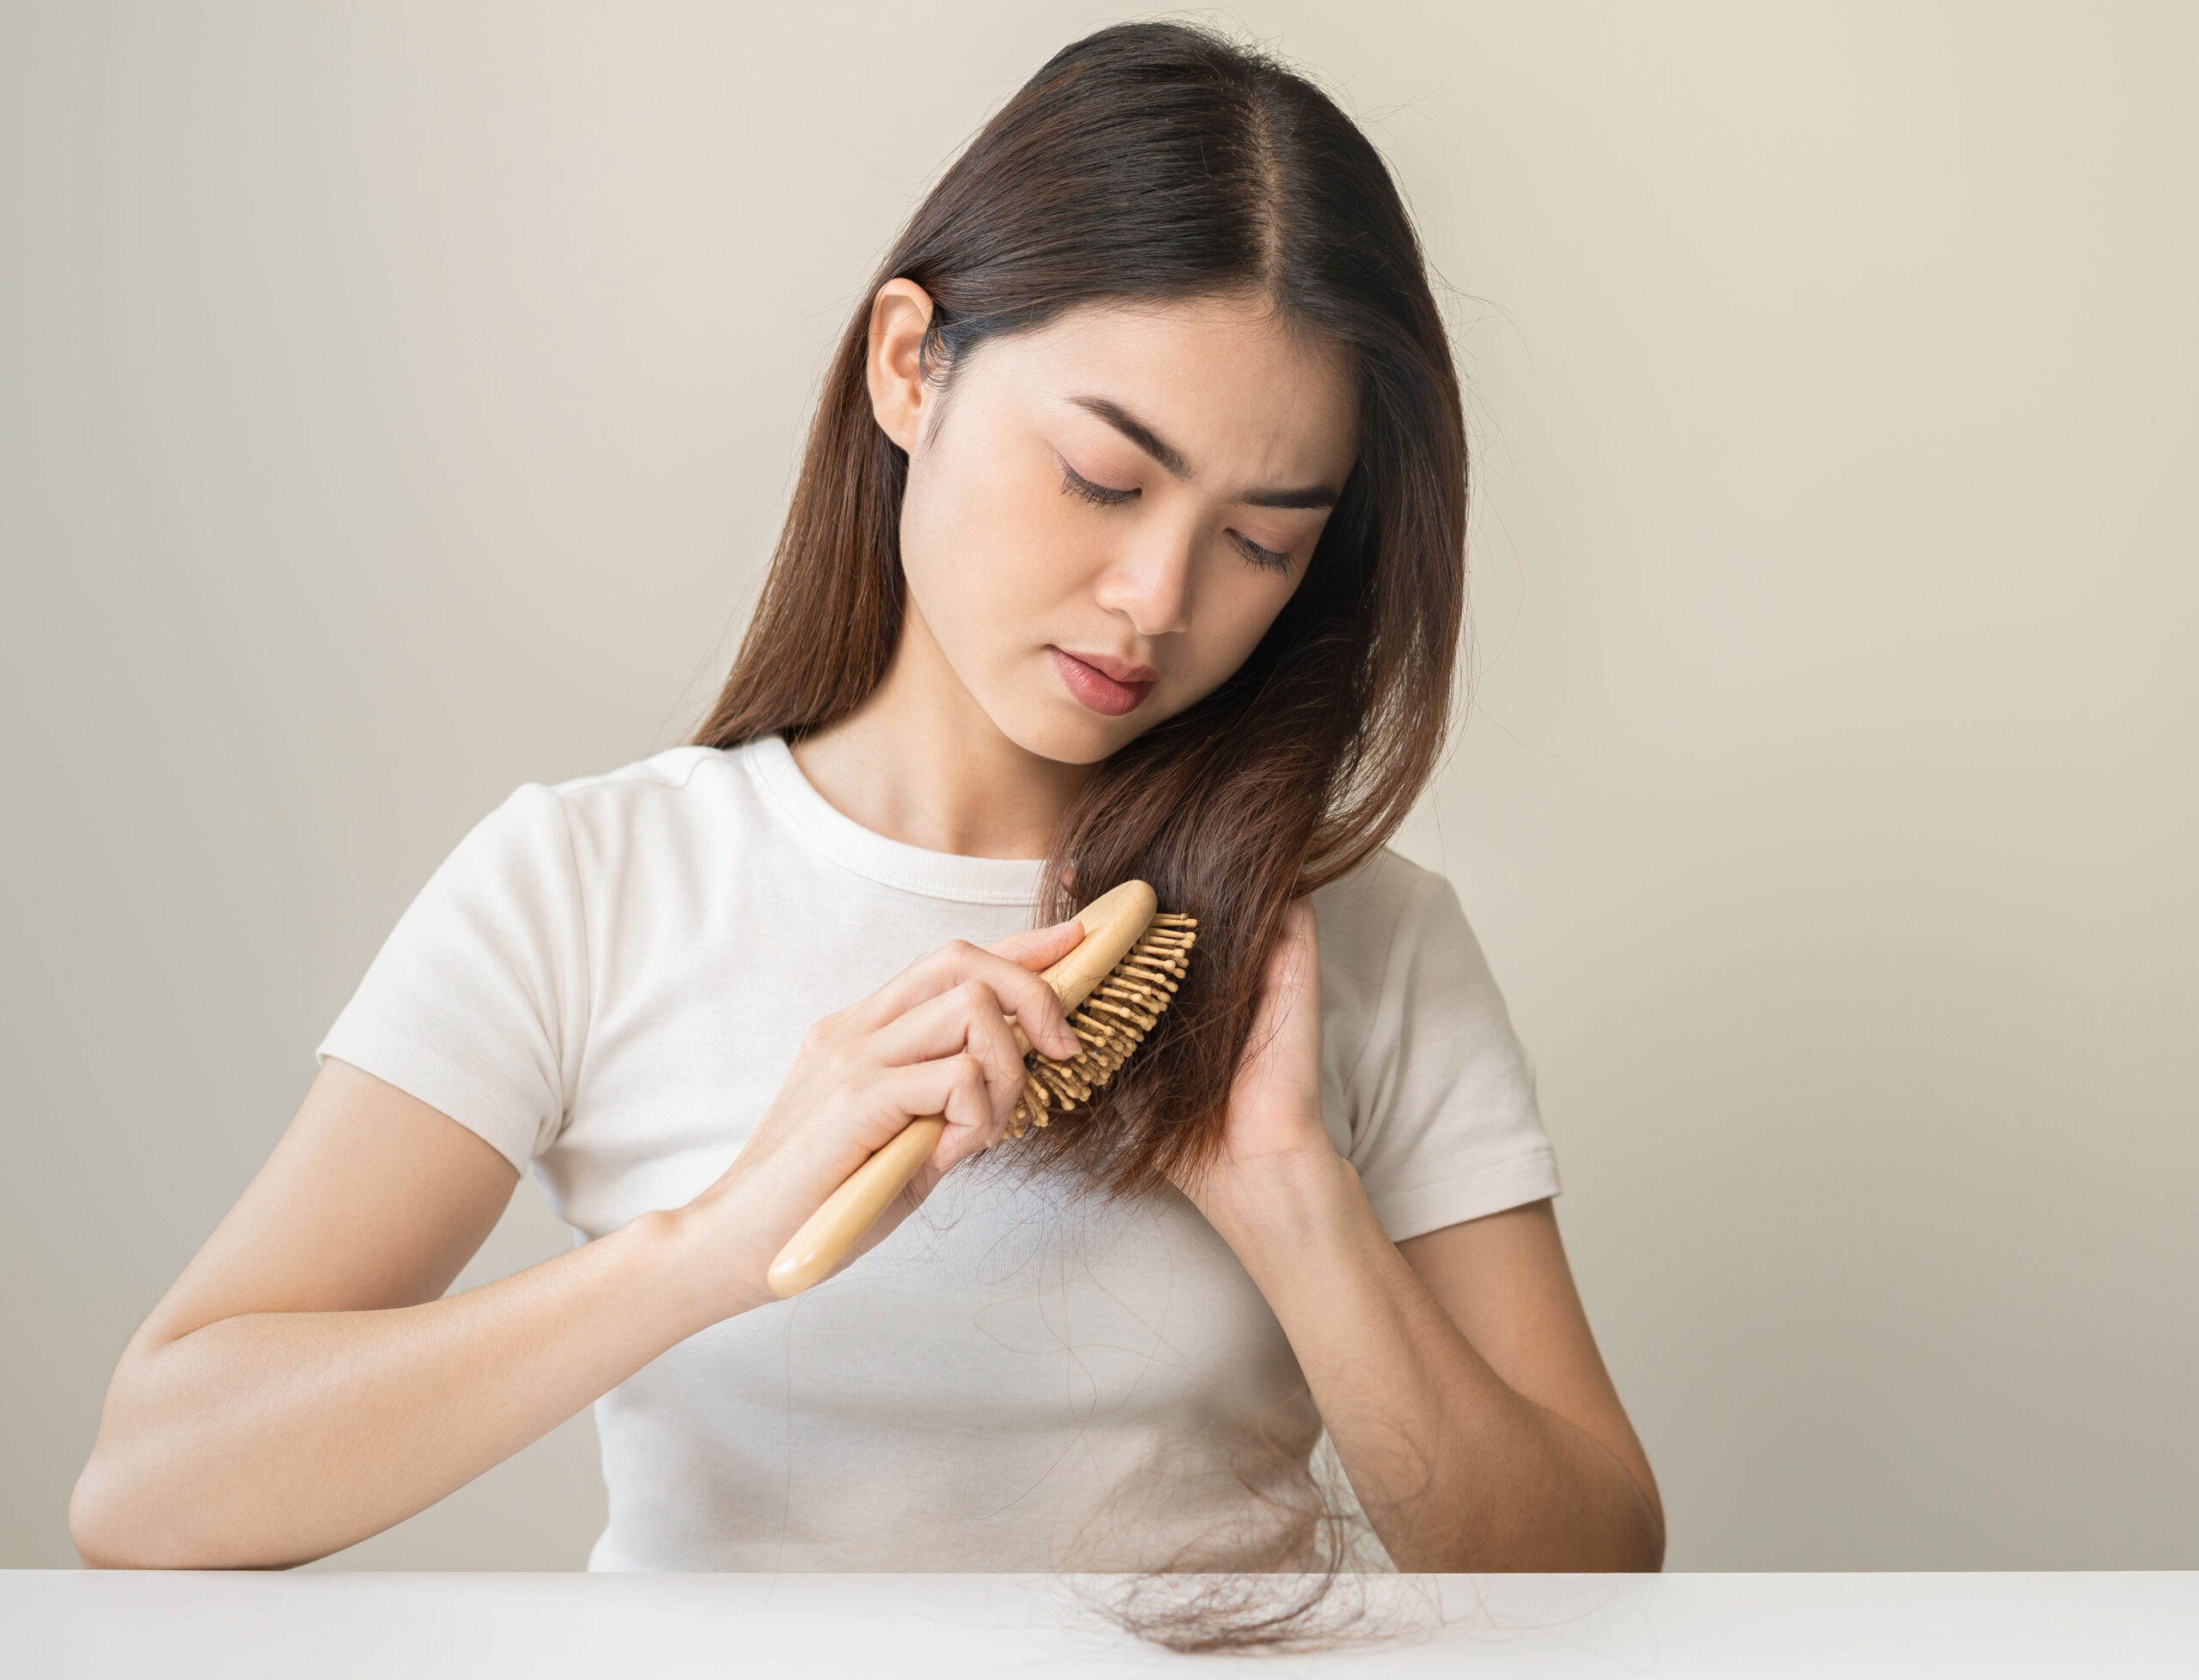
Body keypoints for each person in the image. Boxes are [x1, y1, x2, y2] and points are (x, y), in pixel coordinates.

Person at [70, 22, 1662, 1591]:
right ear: (913, 366)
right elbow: (152, 1486)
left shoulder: (1357, 944)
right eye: (1105, 478)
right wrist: (712, 1245)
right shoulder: (594, 881)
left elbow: (1596, 1565)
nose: (1153, 595)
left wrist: (1291, 1198)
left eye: (1261, 540)